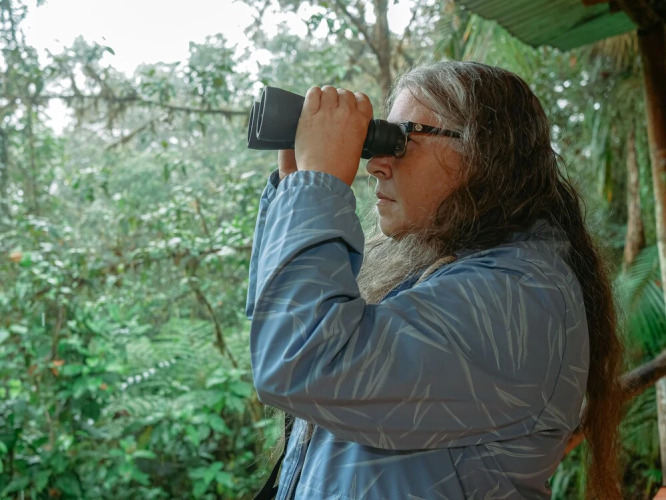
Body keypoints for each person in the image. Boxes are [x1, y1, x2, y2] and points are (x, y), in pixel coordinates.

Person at [246, 61, 624, 499]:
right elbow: (275, 322)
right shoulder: (444, 265)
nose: (376, 165)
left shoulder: (521, 299)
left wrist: (318, 188)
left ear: (486, 155)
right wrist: (295, 187)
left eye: (403, 139)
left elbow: (298, 362)